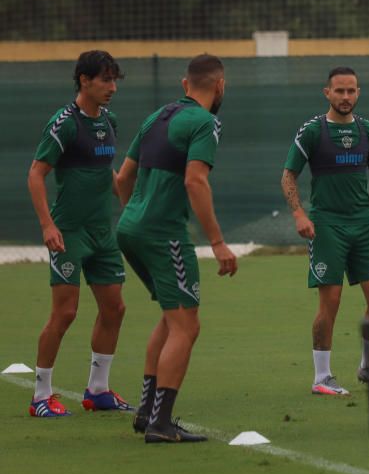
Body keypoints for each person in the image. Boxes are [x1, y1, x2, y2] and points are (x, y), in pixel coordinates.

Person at [116, 54, 238, 443]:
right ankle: (161, 424)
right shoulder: (206, 122)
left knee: (172, 319)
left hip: (130, 227)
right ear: (219, 86)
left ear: (185, 85)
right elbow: (195, 182)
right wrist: (217, 243)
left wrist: (136, 215)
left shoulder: (157, 116)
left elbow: (123, 177)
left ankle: (146, 414)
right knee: (187, 325)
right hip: (164, 232)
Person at [281, 66, 369, 397]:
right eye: (340, 91)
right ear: (327, 93)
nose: (346, 97)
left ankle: (368, 366)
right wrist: (299, 214)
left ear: (358, 93)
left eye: (351, 91)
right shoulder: (313, 131)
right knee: (330, 299)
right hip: (326, 225)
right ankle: (322, 376)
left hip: (362, 224)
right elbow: (288, 176)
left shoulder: (368, 131)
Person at [26, 51, 130, 417]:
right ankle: (40, 395)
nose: (112, 87)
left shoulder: (110, 121)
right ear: (84, 80)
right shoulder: (64, 123)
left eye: (115, 80)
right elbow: (36, 174)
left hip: (104, 233)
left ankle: (98, 390)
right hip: (69, 233)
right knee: (65, 313)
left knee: (114, 308)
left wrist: (129, 207)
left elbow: (109, 172)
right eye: (105, 80)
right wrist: (47, 225)